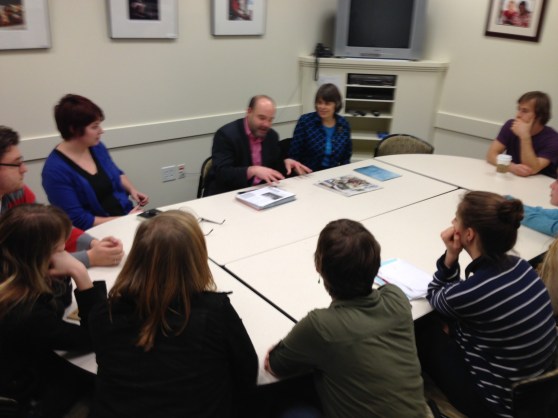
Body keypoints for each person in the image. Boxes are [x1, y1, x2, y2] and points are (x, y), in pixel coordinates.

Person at [75, 210, 258, 418]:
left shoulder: (103, 312)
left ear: (136, 256)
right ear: (197, 258)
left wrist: (79, 274)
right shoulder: (215, 312)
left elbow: (93, 341)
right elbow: (247, 371)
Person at [265, 219, 429, 418]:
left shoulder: (321, 326)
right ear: (377, 267)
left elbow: (275, 365)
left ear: (318, 265)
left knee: (287, 407)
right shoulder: (397, 298)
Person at [416, 191, 557, 417]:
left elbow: (436, 295)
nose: (452, 223)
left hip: (496, 404)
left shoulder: (475, 291)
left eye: (456, 219)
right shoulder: (520, 266)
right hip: (536, 391)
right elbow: (458, 300)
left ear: (468, 234)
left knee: (423, 328)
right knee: (448, 321)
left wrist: (451, 255)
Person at [0, 204, 98, 418]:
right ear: (40, 256)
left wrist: (58, 274)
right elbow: (93, 337)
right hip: (29, 394)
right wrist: (79, 273)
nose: (66, 249)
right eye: (60, 248)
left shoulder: (12, 272)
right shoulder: (25, 311)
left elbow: (59, 304)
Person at [0, 125, 124, 267]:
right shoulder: (55, 169)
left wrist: (94, 243)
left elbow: (50, 227)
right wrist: (89, 258)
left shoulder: (17, 192)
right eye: (16, 164)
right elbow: (16, 267)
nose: (24, 169)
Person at [42, 94, 149, 230]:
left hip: (126, 218)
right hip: (95, 235)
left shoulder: (97, 147)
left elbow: (117, 173)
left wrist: (132, 190)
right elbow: (77, 220)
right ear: (73, 129)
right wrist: (125, 220)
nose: (101, 131)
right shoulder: (55, 171)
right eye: (94, 127)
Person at [205, 95, 312, 195]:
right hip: (228, 194)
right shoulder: (226, 135)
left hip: (260, 193)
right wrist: (252, 170)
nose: (266, 124)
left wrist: (286, 162)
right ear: (249, 112)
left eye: (270, 120)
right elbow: (222, 173)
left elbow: (274, 168)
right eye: (261, 118)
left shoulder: (271, 136)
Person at [486, 91, 558, 178]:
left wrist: (525, 137)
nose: (518, 115)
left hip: (539, 185)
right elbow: (491, 154)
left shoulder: (553, 139)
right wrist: (511, 167)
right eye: (519, 109)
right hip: (513, 179)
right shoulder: (511, 125)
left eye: (525, 111)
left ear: (539, 116)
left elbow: (531, 169)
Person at [289, 83, 352, 172]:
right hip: (307, 174)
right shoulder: (305, 122)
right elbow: (293, 156)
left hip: (333, 174)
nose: (322, 107)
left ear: (336, 104)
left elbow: (346, 158)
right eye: (319, 103)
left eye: (327, 103)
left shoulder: (343, 124)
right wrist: (301, 173)